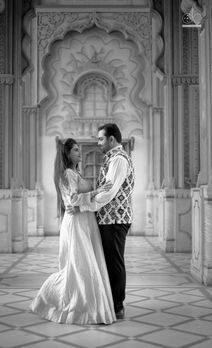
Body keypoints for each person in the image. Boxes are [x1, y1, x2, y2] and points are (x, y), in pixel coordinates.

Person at [30, 138, 116, 324]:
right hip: (77, 223)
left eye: (79, 149)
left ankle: (89, 307)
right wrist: (96, 191)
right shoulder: (68, 173)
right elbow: (73, 200)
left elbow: (77, 200)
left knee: (83, 265)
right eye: (75, 150)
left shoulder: (75, 173)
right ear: (67, 154)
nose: (79, 152)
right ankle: (58, 300)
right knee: (80, 266)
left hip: (84, 221)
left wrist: (95, 194)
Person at [67, 123, 134, 319]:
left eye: (100, 139)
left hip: (115, 218)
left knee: (114, 263)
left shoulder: (119, 160)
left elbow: (108, 193)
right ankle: (110, 302)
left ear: (111, 139)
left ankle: (117, 306)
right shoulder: (112, 159)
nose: (98, 143)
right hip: (108, 219)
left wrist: (83, 207)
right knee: (109, 261)